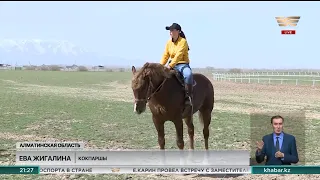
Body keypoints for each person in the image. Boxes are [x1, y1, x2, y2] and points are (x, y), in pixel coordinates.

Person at [160, 23, 193, 116]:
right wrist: (160, 66)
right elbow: (165, 55)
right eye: (170, 31)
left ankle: (188, 97)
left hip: (182, 64)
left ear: (178, 31)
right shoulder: (168, 42)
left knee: (188, 75)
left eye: (172, 30)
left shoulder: (183, 42)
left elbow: (178, 56)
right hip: (172, 64)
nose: (170, 32)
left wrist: (170, 66)